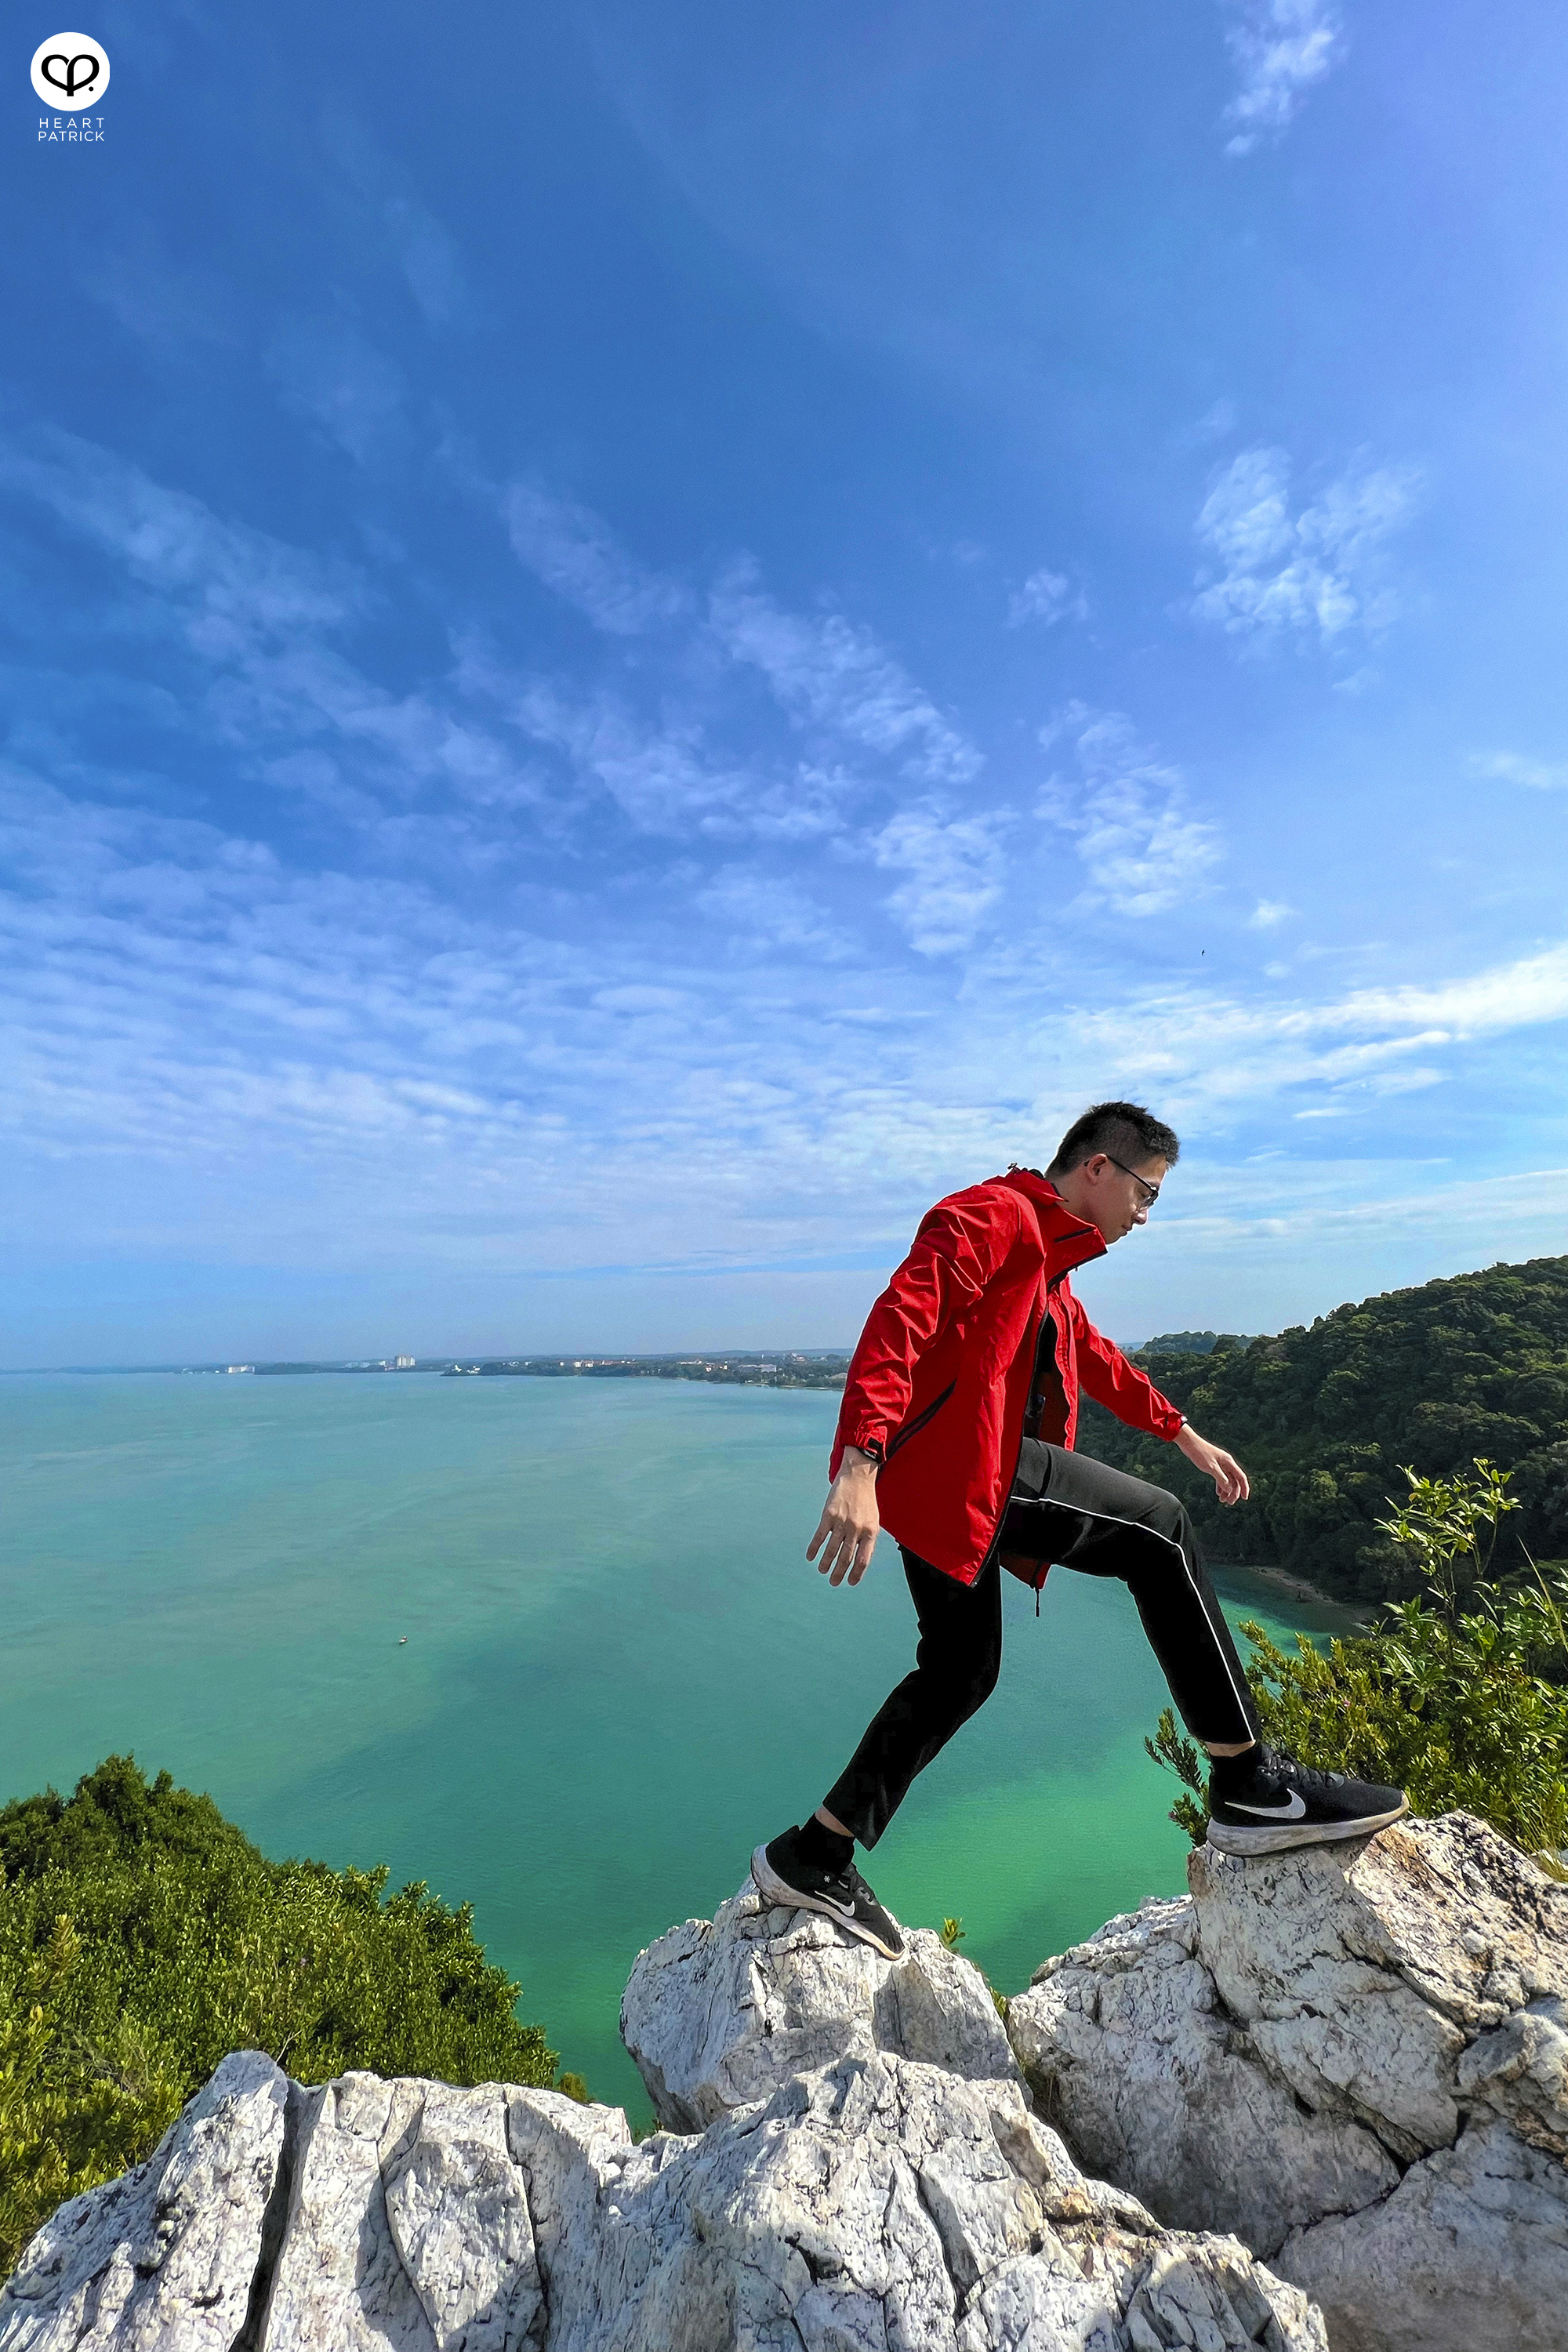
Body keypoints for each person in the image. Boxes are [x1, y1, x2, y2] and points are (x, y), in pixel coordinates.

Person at [751, 1102, 1408, 1958]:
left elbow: (1091, 1354)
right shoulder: (993, 1216)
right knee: (1161, 1531)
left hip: (945, 1485)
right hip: (960, 1475)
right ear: (1098, 1167)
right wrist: (859, 1462)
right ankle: (1250, 1782)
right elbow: (898, 1319)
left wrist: (1182, 1433)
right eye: (1146, 1191)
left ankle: (813, 1853)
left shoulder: (1050, 1258)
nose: (1146, 1213)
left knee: (958, 1672)